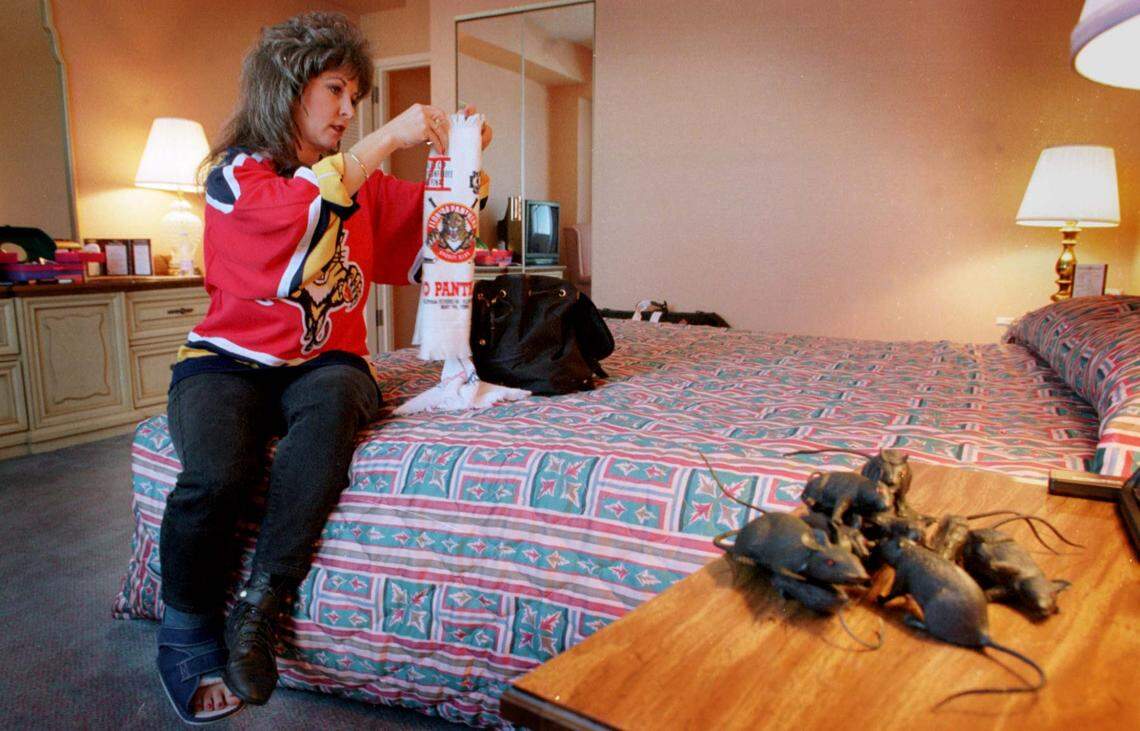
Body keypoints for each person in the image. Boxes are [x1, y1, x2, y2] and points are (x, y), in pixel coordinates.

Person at [154, 11, 491, 724]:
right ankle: (183, 625)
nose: (347, 110)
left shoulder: (358, 182)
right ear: (288, 88)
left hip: (322, 361)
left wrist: (463, 174)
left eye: (354, 97)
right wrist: (388, 136)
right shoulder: (232, 175)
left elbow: (437, 231)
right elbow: (295, 211)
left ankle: (259, 604)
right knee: (218, 472)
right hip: (226, 362)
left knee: (338, 398)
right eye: (335, 90)